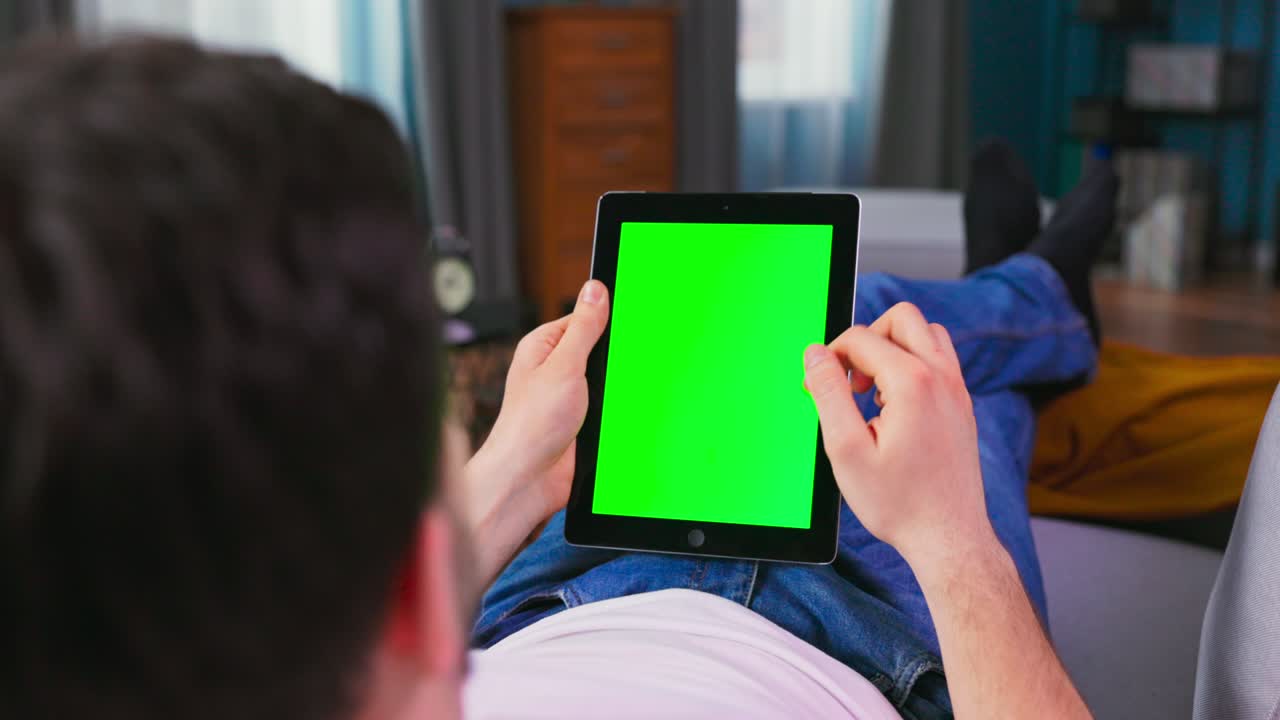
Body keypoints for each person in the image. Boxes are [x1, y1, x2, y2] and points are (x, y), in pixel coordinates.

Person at [0, 38, 1114, 720]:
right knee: (872, 338)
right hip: (863, 642)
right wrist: (952, 544)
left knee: (814, 332)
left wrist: (504, 475)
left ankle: (1026, 286)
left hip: (552, 591)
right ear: (404, 590)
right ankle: (1041, 293)